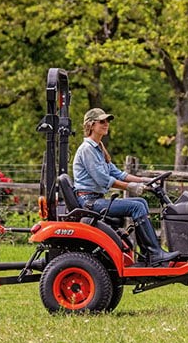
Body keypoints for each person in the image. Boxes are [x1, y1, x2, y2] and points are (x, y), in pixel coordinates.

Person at [72, 107, 179, 265]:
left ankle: (147, 254)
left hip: (95, 199)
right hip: (89, 202)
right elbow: (103, 180)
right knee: (137, 207)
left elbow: (118, 173)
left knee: (141, 202)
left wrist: (143, 180)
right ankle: (155, 254)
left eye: (107, 121)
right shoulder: (87, 149)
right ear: (91, 125)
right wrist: (130, 187)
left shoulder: (98, 148)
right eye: (102, 121)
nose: (106, 124)